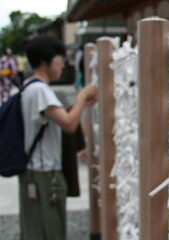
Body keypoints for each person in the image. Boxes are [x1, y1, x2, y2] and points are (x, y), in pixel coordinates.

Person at [19, 35, 97, 240]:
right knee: (48, 229)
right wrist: (83, 95)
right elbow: (69, 124)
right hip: (44, 174)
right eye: (59, 60)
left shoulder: (29, 86)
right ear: (45, 62)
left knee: (36, 228)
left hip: (35, 172)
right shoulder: (40, 90)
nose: (62, 66)